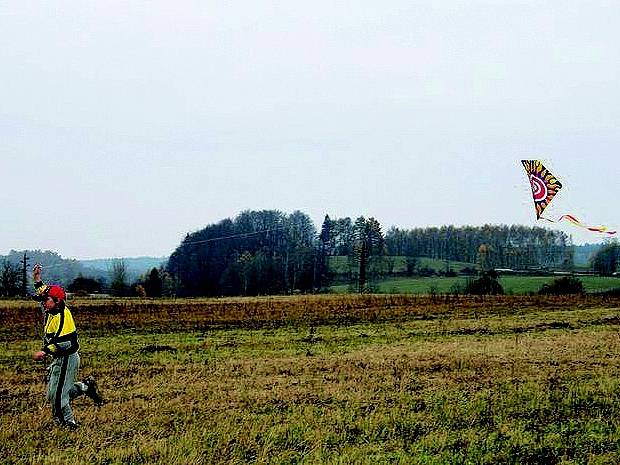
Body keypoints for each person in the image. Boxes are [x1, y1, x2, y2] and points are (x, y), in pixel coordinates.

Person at [31, 264, 104, 429]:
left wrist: (45, 351)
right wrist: (37, 278)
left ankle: (68, 424)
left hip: (67, 358)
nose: (43, 303)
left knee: (58, 397)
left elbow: (66, 343)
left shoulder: (64, 317)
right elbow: (43, 290)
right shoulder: (51, 310)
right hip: (60, 359)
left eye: (46, 300)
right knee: (53, 395)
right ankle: (85, 386)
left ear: (57, 301)